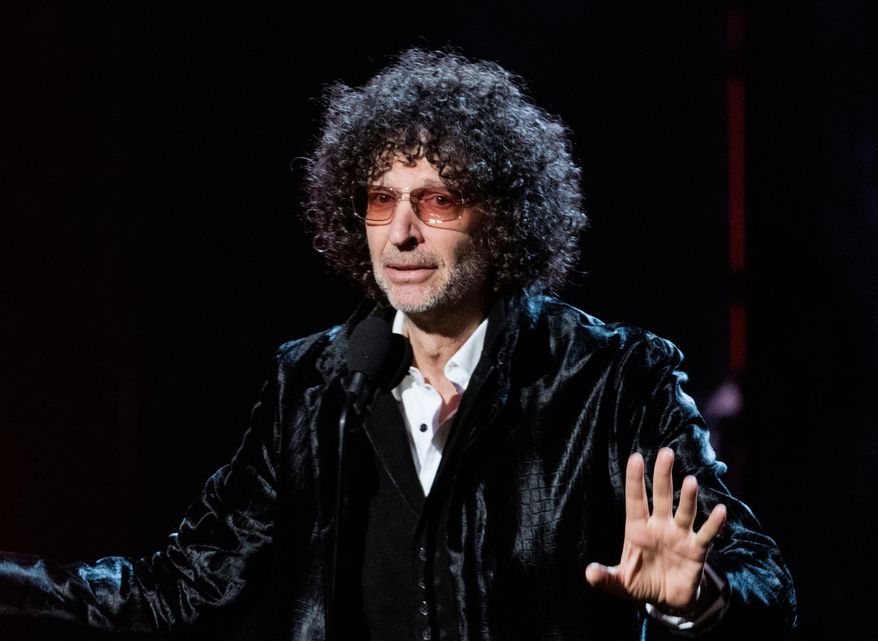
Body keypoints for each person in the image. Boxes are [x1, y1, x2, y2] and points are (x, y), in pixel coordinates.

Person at [0, 48, 796, 640]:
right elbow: (177, 591)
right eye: (382, 200)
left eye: (437, 199)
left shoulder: (616, 378)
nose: (403, 231)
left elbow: (769, 581)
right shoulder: (309, 385)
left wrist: (704, 598)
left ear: (505, 216)